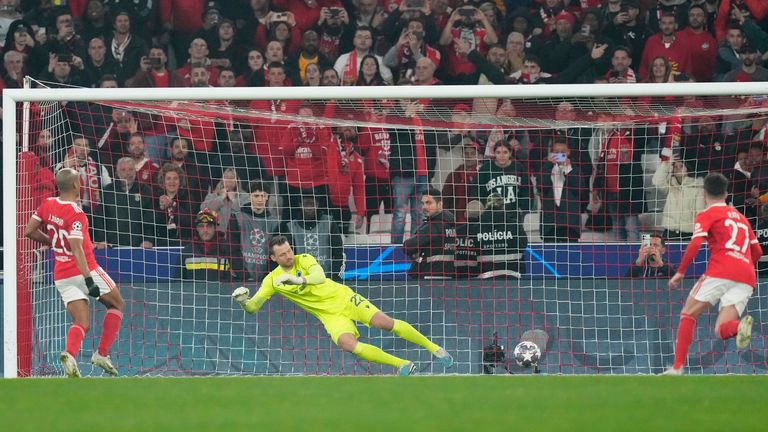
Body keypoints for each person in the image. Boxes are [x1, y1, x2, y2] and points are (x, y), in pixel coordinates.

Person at [231, 235, 454, 376]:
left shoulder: (304, 259)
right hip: (329, 315)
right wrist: (243, 302)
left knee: (384, 323)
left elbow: (319, 276)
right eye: (283, 254)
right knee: (348, 344)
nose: (289, 256)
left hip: (343, 298)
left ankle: (434, 348)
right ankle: (403, 364)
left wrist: (299, 280)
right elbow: (253, 307)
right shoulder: (271, 280)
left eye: (289, 250)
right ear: (273, 258)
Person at [24, 168, 124, 378]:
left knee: (81, 323)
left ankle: (69, 355)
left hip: (61, 273)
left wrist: (52, 242)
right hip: (85, 269)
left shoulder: (48, 204)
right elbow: (77, 247)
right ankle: (101, 354)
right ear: (77, 186)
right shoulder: (77, 214)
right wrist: (89, 280)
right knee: (116, 304)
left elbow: (29, 231)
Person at [664, 173, 761, 375]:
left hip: (721, 269)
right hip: (746, 275)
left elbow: (696, 243)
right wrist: (742, 265)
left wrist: (680, 272)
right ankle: (739, 326)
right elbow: (758, 251)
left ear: (703, 193)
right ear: (726, 193)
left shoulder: (707, 214)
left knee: (688, 314)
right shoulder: (742, 219)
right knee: (722, 328)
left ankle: (677, 368)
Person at [403, 188, 456, 279]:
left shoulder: (434, 226)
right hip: (449, 277)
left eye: (429, 203)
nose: (424, 207)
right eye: (423, 203)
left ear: (440, 205)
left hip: (430, 277)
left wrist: (416, 251)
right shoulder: (452, 224)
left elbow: (408, 246)